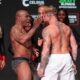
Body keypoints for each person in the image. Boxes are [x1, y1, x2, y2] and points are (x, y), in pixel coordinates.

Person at [37, 6, 78, 80]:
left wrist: (42, 68)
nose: (42, 17)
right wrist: (73, 61)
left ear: (48, 15)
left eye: (43, 15)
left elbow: (46, 50)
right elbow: (74, 46)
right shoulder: (67, 27)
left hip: (54, 58)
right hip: (67, 58)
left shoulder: (47, 29)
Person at [10, 9, 42, 80]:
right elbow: (23, 39)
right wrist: (35, 26)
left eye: (29, 17)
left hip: (28, 61)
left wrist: (32, 49)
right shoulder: (15, 29)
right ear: (19, 17)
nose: (29, 18)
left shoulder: (24, 31)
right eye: (26, 16)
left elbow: (25, 44)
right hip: (21, 61)